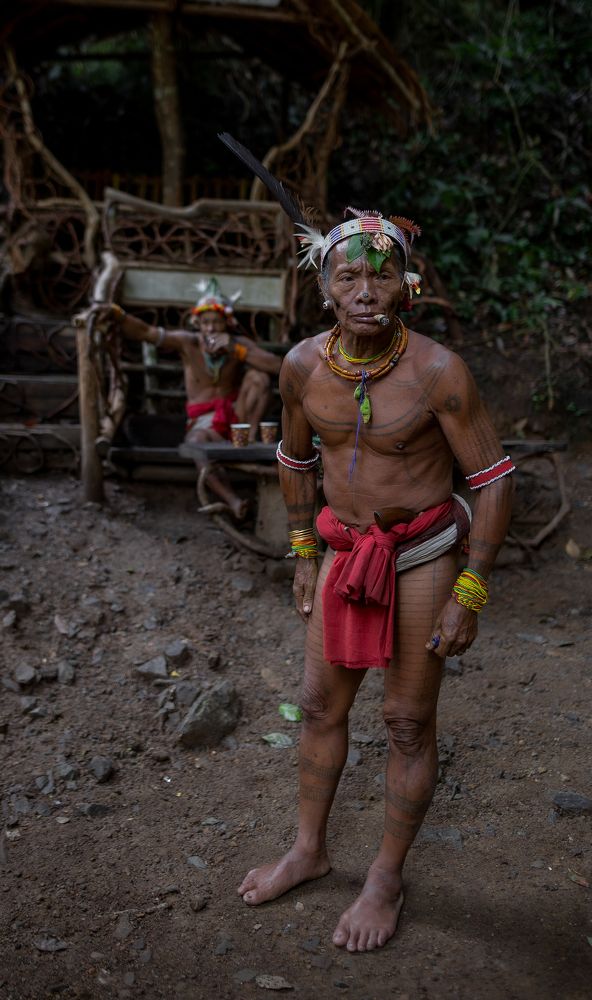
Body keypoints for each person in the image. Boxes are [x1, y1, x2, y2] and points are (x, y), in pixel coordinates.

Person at [237, 209, 514, 951]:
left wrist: (472, 590)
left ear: (407, 285)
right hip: (341, 554)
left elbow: (491, 479)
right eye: (349, 275)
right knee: (319, 705)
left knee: (404, 722)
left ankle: (386, 877)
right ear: (324, 287)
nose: (366, 289)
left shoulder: (437, 372)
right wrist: (302, 549)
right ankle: (309, 849)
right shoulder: (300, 367)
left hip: (421, 555)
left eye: (381, 274)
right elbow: (295, 462)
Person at [98, 279, 281, 518]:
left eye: (216, 322)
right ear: (198, 325)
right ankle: (234, 501)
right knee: (195, 442)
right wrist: (118, 315)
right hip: (205, 422)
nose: (211, 328)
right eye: (206, 323)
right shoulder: (188, 342)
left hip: (239, 419)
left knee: (258, 377)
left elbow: (277, 366)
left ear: (227, 323)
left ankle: (251, 440)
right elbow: (146, 332)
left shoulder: (238, 345)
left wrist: (236, 350)